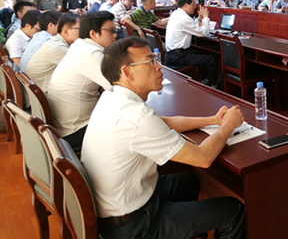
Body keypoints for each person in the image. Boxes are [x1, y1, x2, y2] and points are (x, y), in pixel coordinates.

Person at [81, 37, 245, 239]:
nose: (159, 66)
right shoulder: (136, 118)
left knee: (189, 182)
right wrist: (229, 125)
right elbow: (203, 158)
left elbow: (165, 122)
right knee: (233, 210)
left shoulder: (112, 97)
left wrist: (213, 120)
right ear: (127, 72)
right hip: (132, 226)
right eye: (150, 61)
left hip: (117, 207)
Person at [47, 11, 116, 151]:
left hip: (65, 124)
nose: (115, 35)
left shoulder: (80, 45)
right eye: (111, 31)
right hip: (76, 129)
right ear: (93, 33)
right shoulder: (91, 54)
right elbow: (116, 88)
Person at [165, 0, 219, 87]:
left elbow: (190, 26)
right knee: (210, 59)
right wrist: (206, 17)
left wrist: (199, 19)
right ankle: (213, 86)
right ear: (186, 5)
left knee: (202, 52)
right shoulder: (184, 18)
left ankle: (204, 81)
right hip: (178, 56)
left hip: (171, 54)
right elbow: (204, 33)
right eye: (193, 4)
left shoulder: (176, 13)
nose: (195, 7)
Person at [25, 14, 80, 93]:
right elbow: (82, 70)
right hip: (43, 93)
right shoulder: (58, 48)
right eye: (79, 29)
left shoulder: (55, 41)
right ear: (66, 31)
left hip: (37, 89)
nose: (84, 32)